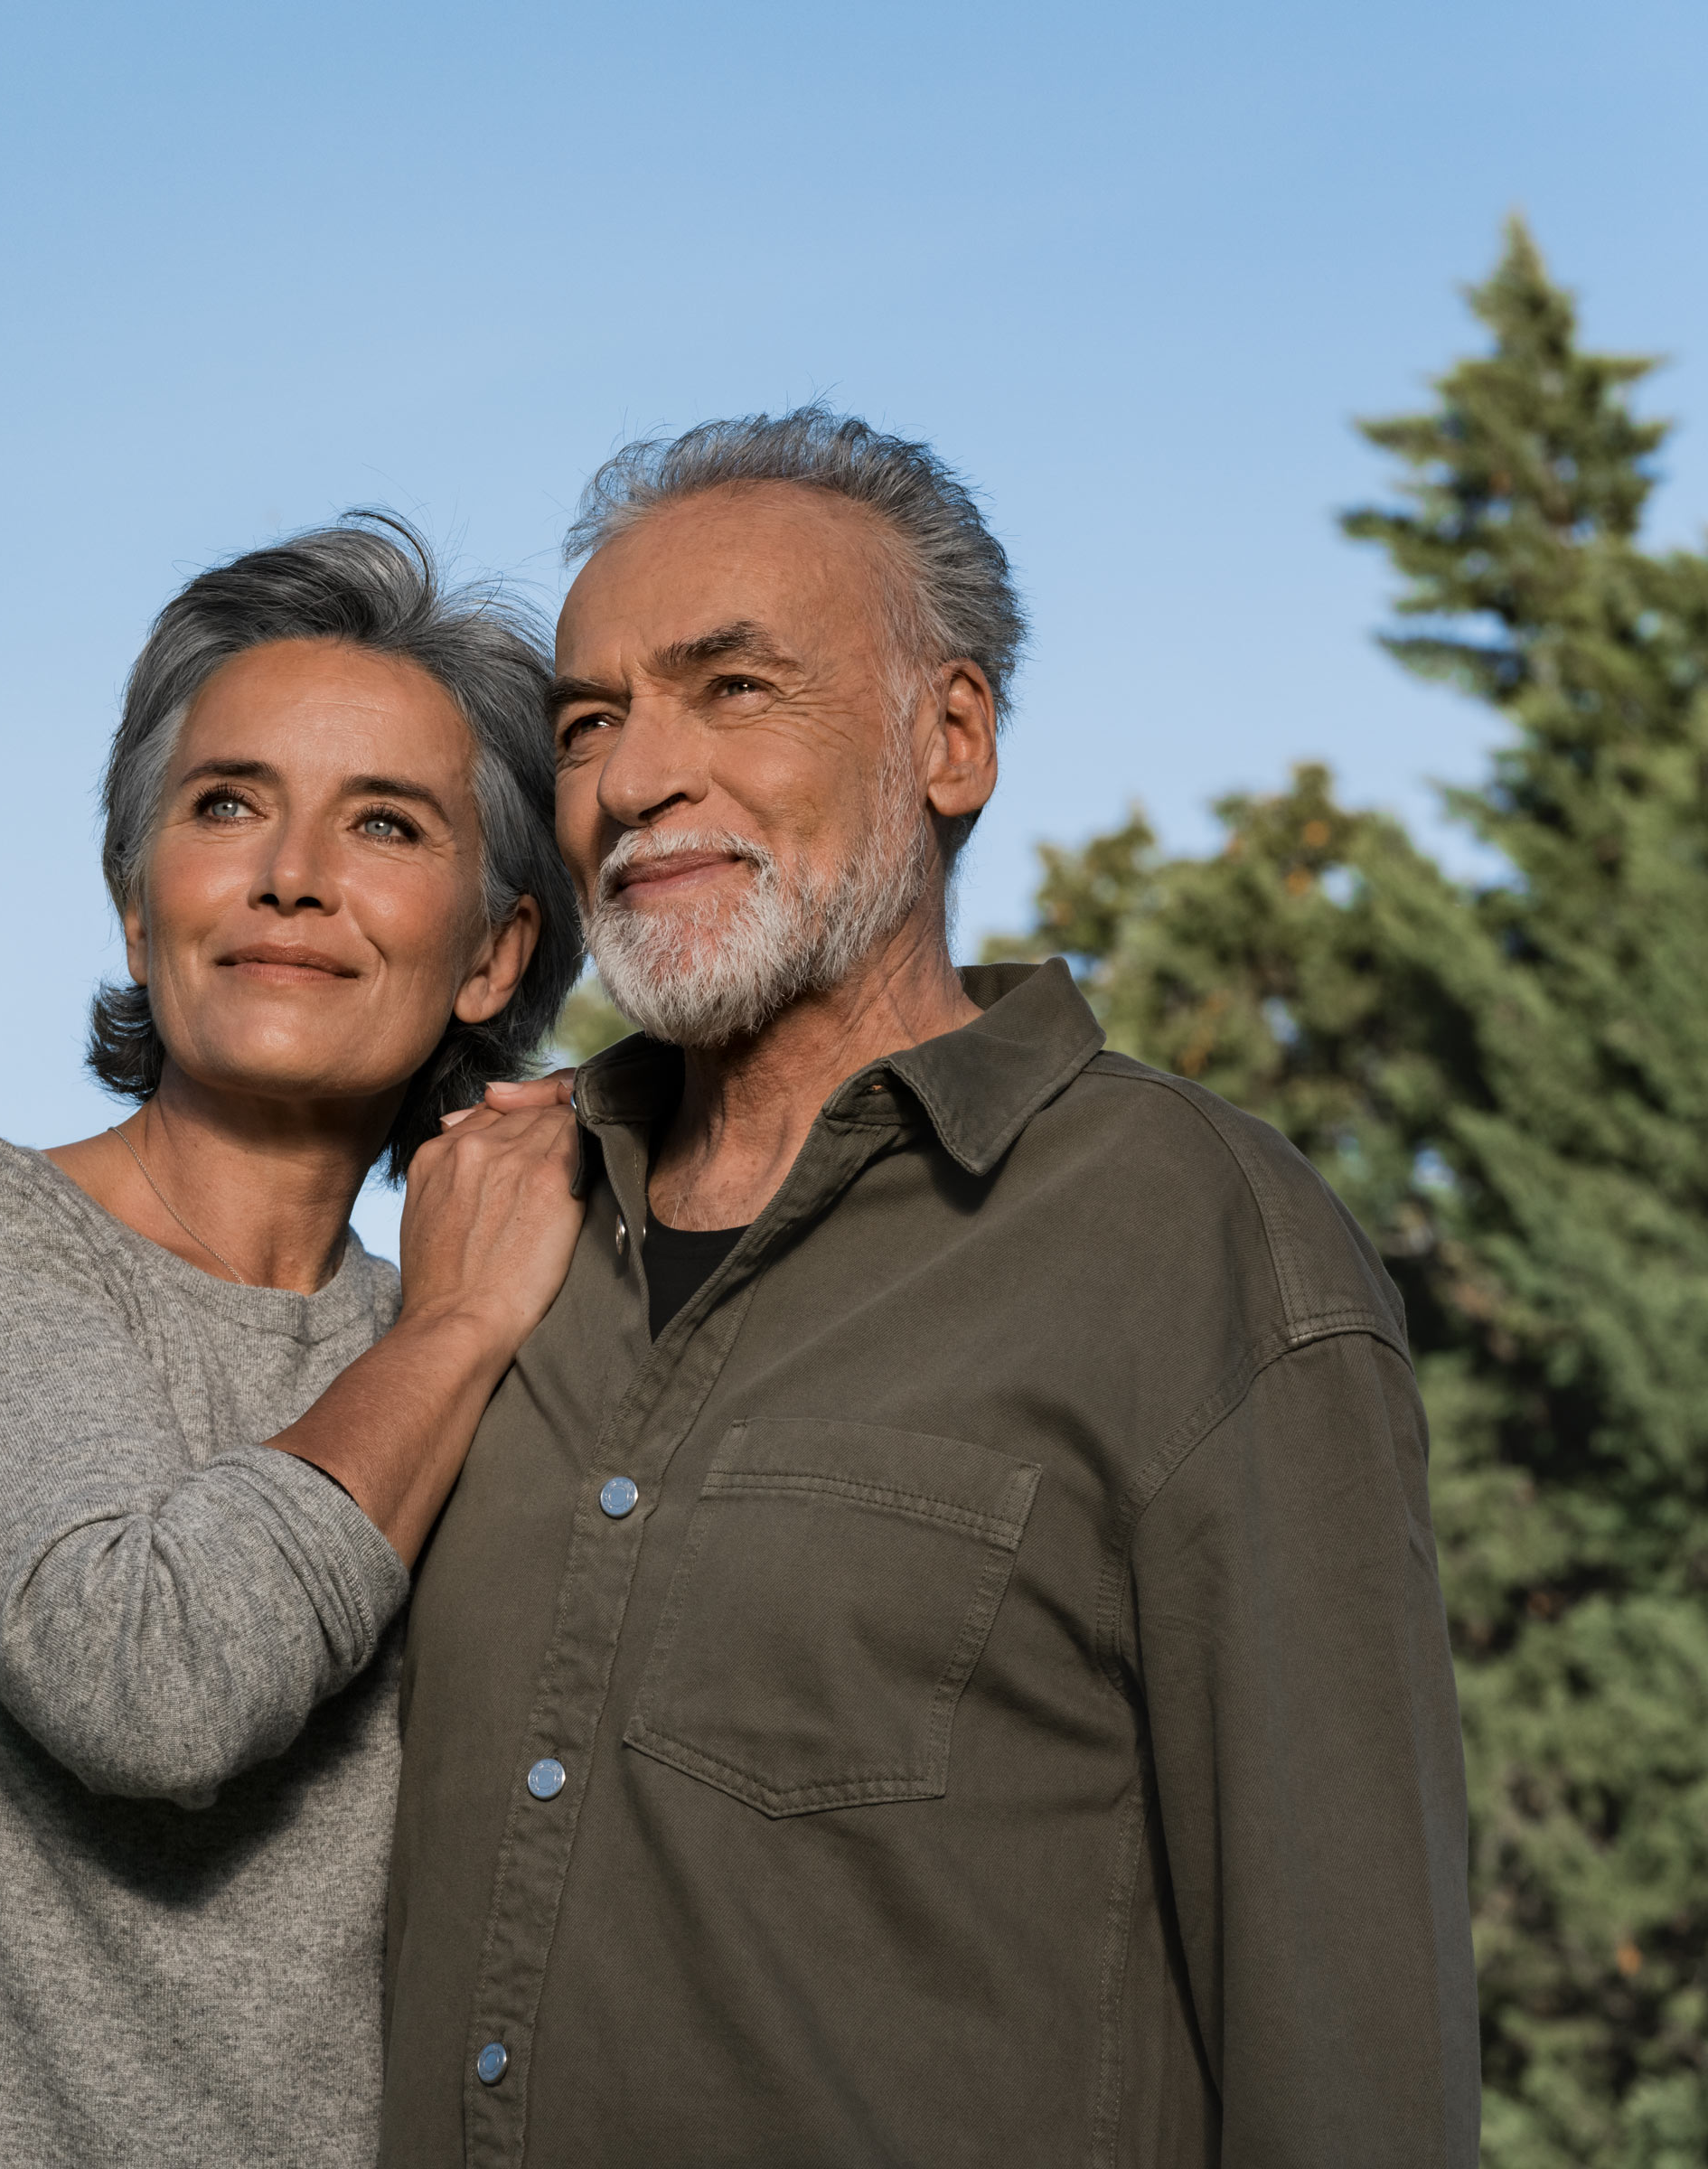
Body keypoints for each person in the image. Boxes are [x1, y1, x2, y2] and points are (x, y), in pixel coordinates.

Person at [377, 409, 1479, 2166]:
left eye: (733, 688)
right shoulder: (485, 1231)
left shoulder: (1193, 1246)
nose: (636, 777)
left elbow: (1347, 2042)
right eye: (590, 721)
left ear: (950, 738)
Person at [0, 516, 586, 2167]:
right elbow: (151, 1681)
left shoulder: (532, 1358)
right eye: (228, 805)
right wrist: (459, 1320)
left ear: (494, 950)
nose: (292, 872)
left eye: (386, 823)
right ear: (139, 901)